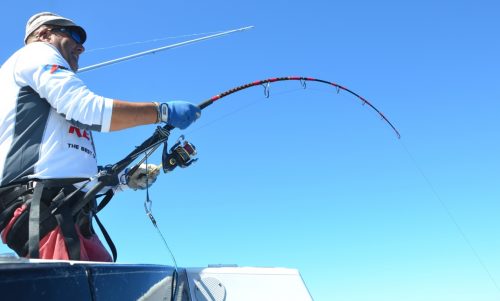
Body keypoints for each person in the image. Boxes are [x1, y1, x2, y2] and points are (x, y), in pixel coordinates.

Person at [0, 12, 201, 262]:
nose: (81, 46)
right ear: (43, 34)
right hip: (41, 210)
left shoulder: (48, 100)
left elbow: (65, 164)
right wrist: (161, 112)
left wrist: (122, 180)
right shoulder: (36, 52)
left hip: (67, 212)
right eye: (73, 34)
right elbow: (86, 109)